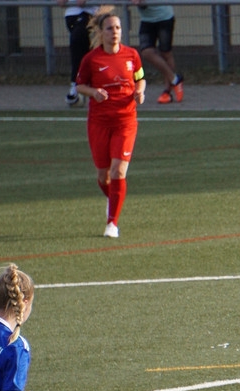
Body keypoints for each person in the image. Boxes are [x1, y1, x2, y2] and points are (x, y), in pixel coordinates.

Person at [75, 10, 146, 239]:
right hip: (99, 123)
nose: (114, 32)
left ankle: (112, 223)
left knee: (118, 170)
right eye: (109, 28)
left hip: (125, 121)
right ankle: (114, 199)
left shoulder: (132, 55)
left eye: (117, 28)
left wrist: (140, 91)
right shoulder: (91, 59)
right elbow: (79, 85)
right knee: (103, 176)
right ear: (100, 32)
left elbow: (140, 78)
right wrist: (94, 92)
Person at [132, 2, 184, 104]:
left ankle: (167, 92)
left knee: (166, 53)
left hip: (164, 18)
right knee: (146, 52)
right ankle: (175, 79)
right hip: (146, 20)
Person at [57, 0, 99, 106]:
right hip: (72, 15)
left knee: (80, 43)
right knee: (81, 51)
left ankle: (77, 86)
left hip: (90, 14)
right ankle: (79, 85)